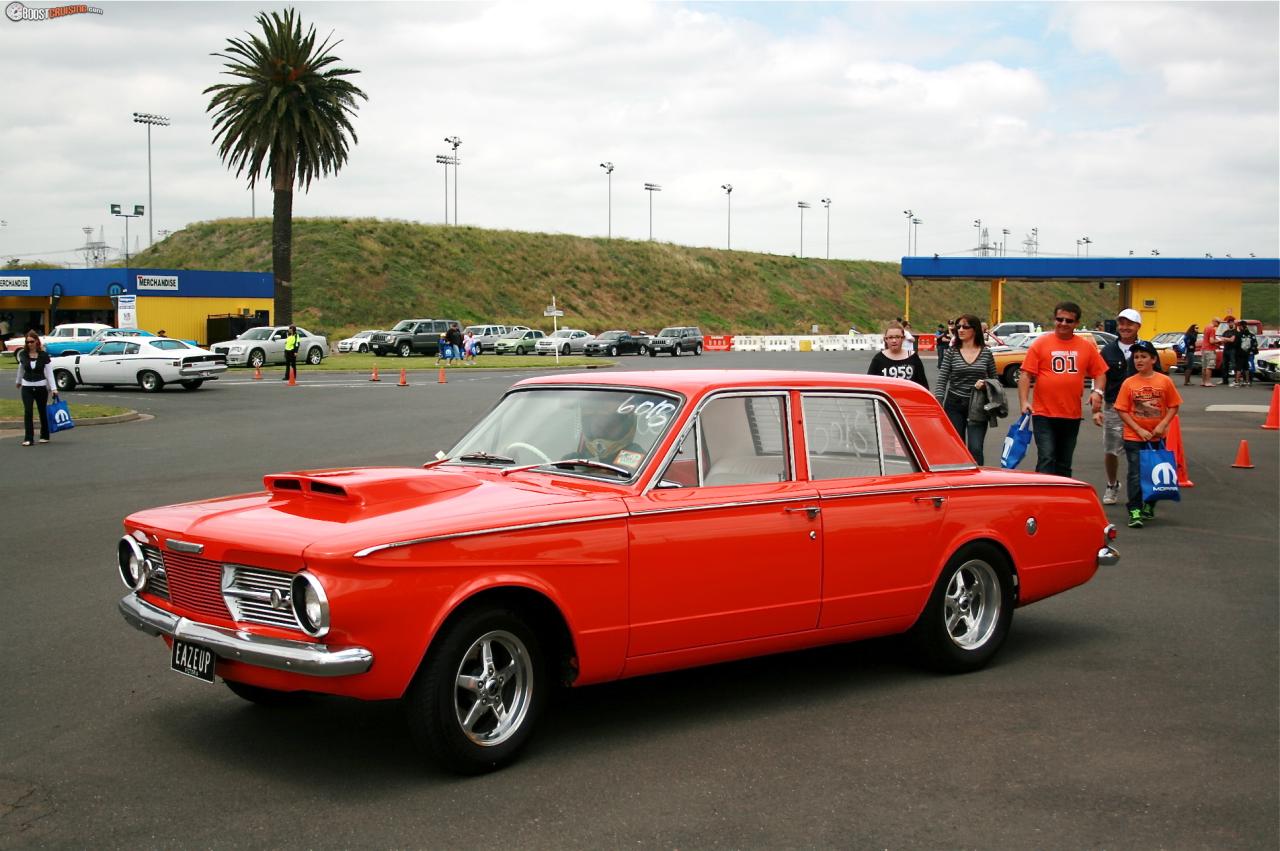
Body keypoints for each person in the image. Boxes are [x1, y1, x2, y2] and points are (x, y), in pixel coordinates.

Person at [1017, 301, 1107, 478]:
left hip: (1071, 414)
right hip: (1043, 413)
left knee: (1064, 462)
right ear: (1054, 319)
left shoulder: (1086, 346)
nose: (1064, 324)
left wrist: (1098, 392)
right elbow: (1026, 375)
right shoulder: (1040, 344)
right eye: (1060, 319)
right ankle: (1044, 500)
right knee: (1047, 457)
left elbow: (1100, 373)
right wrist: (1024, 401)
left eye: (1069, 321)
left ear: (1076, 323)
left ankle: (1062, 500)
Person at [1114, 340, 1182, 529]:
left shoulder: (1164, 381)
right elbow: (1122, 410)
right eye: (1136, 357)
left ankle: (1149, 504)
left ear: (1153, 359)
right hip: (1134, 436)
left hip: (1157, 436)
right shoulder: (1129, 383)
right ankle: (1135, 509)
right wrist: (1139, 429)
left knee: (1153, 472)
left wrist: (1162, 424)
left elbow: (1173, 405)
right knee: (1135, 473)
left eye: (1143, 356)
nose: (1139, 360)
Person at [1099, 308, 1161, 505]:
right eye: (1121, 323)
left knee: (1141, 450)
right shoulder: (1108, 350)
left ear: (1138, 327)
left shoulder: (1146, 348)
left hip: (1142, 408)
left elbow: (1159, 379)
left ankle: (1143, 490)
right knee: (1111, 450)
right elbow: (1100, 375)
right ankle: (1111, 484)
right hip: (1114, 406)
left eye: (1129, 324)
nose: (1124, 328)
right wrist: (1097, 396)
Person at [934, 313, 996, 464]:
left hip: (978, 405)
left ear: (974, 330)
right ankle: (958, 482)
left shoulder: (986, 353)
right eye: (958, 327)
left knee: (975, 448)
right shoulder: (952, 352)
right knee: (957, 447)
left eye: (965, 327)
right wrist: (938, 402)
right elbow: (942, 380)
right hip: (954, 404)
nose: (960, 330)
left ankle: (977, 482)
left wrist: (986, 384)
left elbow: (995, 380)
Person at [14, 330, 59, 446]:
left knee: (42, 411)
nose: (29, 344)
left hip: (40, 387)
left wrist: (54, 388)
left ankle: (44, 435)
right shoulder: (23, 354)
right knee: (28, 411)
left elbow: (49, 373)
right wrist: (18, 381)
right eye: (27, 342)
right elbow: (21, 369)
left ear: (37, 342)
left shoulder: (44, 356)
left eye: (31, 342)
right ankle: (28, 438)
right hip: (27, 387)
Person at [869, 322, 929, 389]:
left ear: (903, 338)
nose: (894, 340)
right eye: (890, 337)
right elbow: (870, 385)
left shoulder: (913, 357)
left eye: (897, 337)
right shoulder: (878, 359)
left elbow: (923, 386)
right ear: (886, 339)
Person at [1217, 315, 1239, 386]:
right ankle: (1224, 380)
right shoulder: (1225, 332)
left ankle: (1236, 380)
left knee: (1234, 365)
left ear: (1234, 323)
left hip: (1233, 350)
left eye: (1232, 322)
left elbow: (1232, 340)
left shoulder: (1235, 332)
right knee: (1224, 365)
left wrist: (1225, 339)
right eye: (1229, 322)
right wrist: (1226, 339)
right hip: (1226, 349)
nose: (1230, 324)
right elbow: (1222, 340)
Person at [1235, 320, 1257, 386]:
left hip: (1240, 353)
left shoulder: (1239, 334)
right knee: (1246, 367)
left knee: (1239, 367)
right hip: (1248, 353)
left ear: (1241, 326)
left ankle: (1237, 381)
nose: (1238, 327)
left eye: (1239, 326)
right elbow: (1255, 344)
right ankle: (1247, 381)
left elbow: (1236, 344)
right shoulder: (1251, 334)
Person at [1199, 317, 1219, 387]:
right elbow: (1211, 341)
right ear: (1214, 321)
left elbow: (1206, 339)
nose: (1218, 324)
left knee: (1204, 367)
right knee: (1209, 366)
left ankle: (1203, 381)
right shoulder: (1212, 329)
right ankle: (1208, 382)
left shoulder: (1206, 327)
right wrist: (1220, 341)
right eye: (1218, 322)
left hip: (1204, 349)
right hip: (1210, 350)